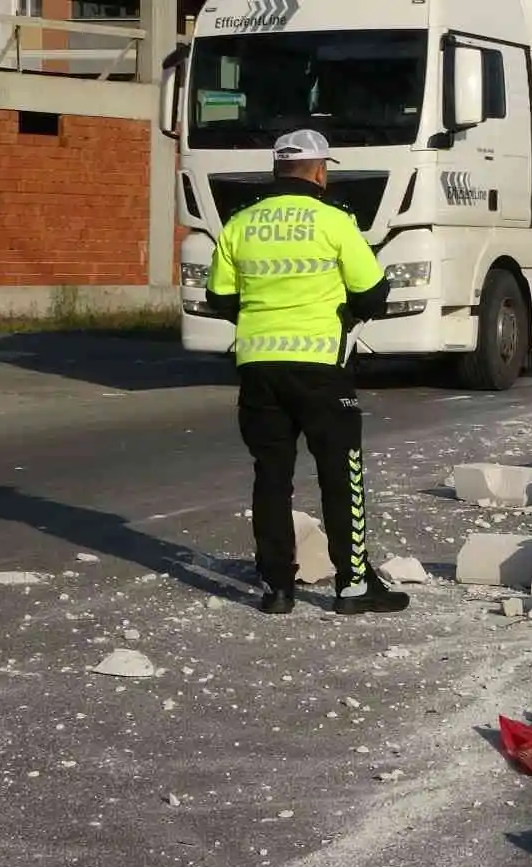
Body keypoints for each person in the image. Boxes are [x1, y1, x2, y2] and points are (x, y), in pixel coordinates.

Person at [204, 128, 409, 616]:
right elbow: (374, 293)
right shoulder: (334, 221)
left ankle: (277, 588)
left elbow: (219, 298)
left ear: (277, 169)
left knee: (271, 476)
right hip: (320, 367)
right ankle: (354, 585)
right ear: (320, 171)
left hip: (258, 366)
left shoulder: (239, 223)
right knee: (342, 474)